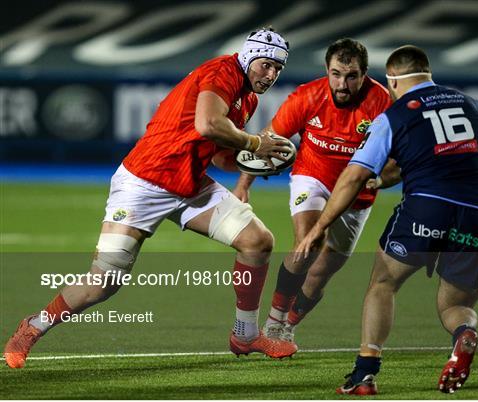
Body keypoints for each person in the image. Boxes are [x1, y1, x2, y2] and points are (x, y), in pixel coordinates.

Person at [3, 28, 298, 369]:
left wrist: (255, 163)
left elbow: (218, 154)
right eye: (266, 65)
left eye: (278, 68)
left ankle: (245, 336)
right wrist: (253, 144)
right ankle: (31, 327)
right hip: (143, 182)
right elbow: (207, 124)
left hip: (188, 185)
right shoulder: (224, 71)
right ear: (248, 56)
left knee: (257, 241)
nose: (271, 74)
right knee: (103, 281)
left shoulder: (247, 96)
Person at [295, 45, 478, 395]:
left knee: (383, 283)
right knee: (455, 306)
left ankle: (364, 374)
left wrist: (319, 228)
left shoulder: (394, 115)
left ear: (392, 80)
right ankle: (465, 334)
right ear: (427, 73)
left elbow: (353, 176)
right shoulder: (474, 106)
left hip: (425, 208)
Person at [234, 38, 393, 345]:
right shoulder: (307, 97)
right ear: (326, 70)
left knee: (321, 272)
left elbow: (399, 161)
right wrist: (243, 185)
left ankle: (290, 323)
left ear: (364, 74)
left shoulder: (383, 104)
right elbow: (267, 139)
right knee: (309, 239)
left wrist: (384, 178)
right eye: (336, 74)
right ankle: (274, 322)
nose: (343, 84)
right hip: (312, 176)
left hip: (357, 194)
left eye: (351, 76)